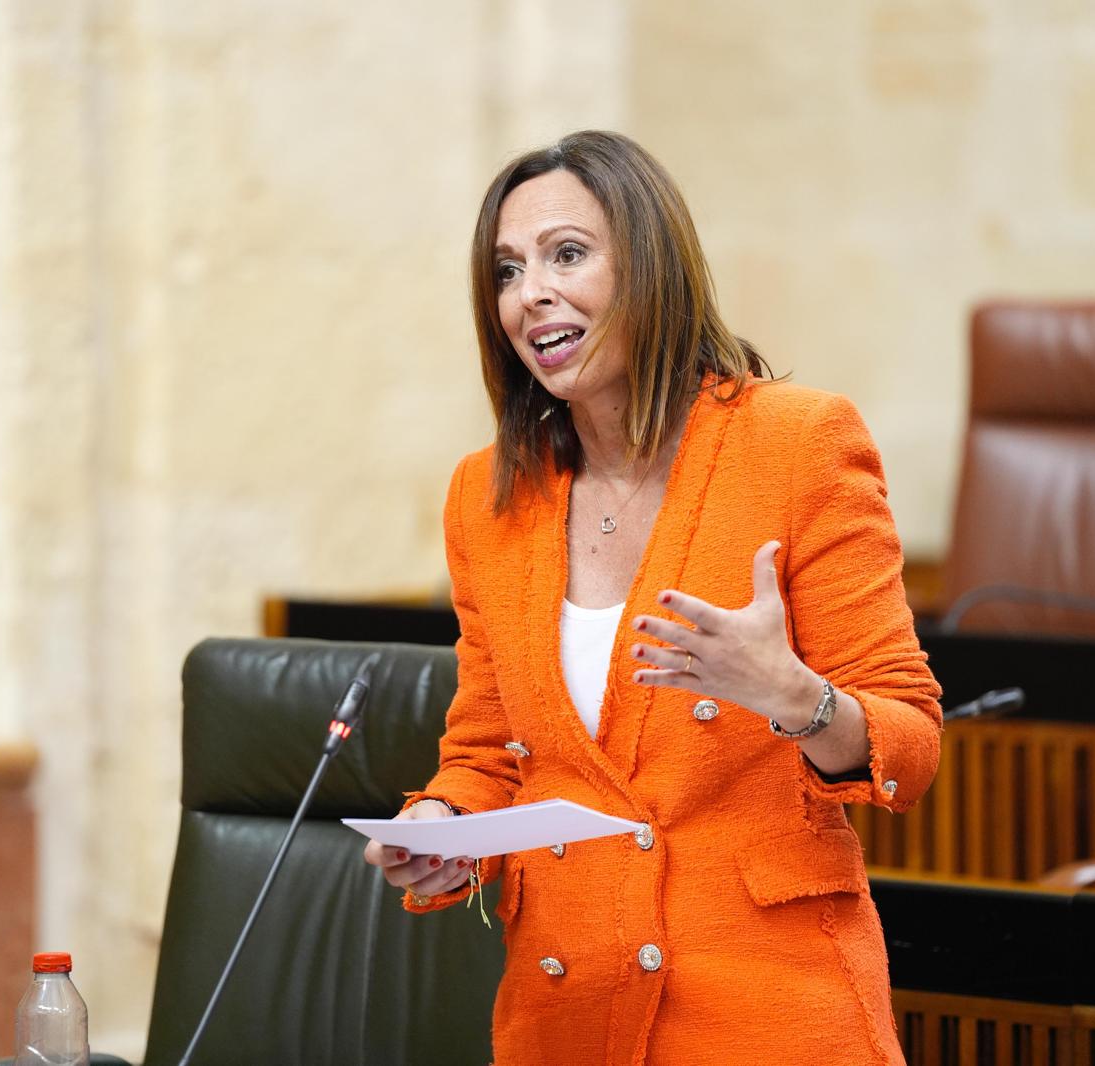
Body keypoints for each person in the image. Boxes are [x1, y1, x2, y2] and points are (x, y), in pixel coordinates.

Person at [362, 130, 941, 1066]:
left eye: (568, 255)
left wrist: (795, 698)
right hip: (565, 1012)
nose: (530, 293)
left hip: (770, 1009)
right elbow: (486, 749)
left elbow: (910, 750)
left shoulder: (798, 446)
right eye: (507, 271)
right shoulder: (489, 495)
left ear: (651, 267)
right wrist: (440, 824)